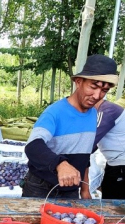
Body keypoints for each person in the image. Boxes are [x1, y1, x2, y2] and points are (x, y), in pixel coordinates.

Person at [22, 54, 118, 199]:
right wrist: (60, 164)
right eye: (93, 86)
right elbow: (33, 146)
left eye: (104, 90)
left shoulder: (93, 114)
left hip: (71, 188)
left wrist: (85, 189)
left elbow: (84, 156)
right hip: (42, 187)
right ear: (78, 82)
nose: (97, 95)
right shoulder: (55, 112)